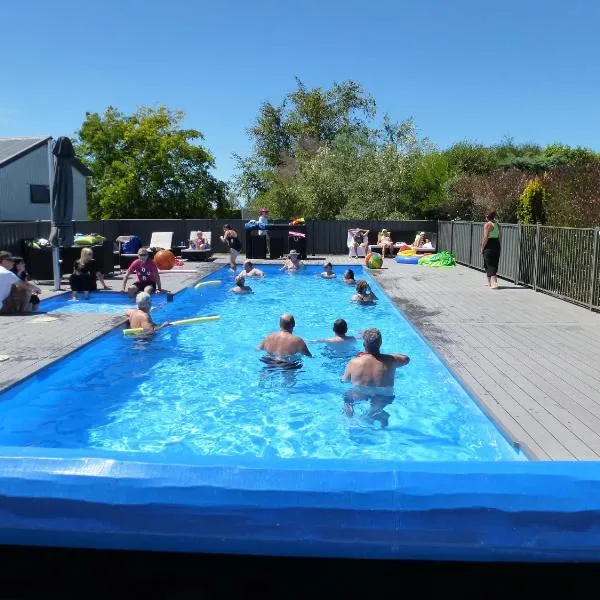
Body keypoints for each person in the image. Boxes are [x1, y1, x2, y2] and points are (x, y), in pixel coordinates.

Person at [342, 328, 410, 426]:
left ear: (364, 344)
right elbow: (406, 358)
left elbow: (344, 380)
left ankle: (350, 420)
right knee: (377, 410)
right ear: (381, 343)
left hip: (361, 392)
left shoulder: (354, 362)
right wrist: (388, 356)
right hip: (385, 394)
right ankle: (377, 415)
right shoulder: (392, 360)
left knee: (347, 399)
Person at [481, 210, 501, 289]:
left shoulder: (487, 225)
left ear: (487, 217)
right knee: (491, 262)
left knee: (489, 263)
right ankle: (489, 283)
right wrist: (499, 245)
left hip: (489, 244)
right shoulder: (497, 224)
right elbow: (500, 236)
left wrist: (482, 247)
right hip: (496, 244)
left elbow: (485, 238)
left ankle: (494, 282)